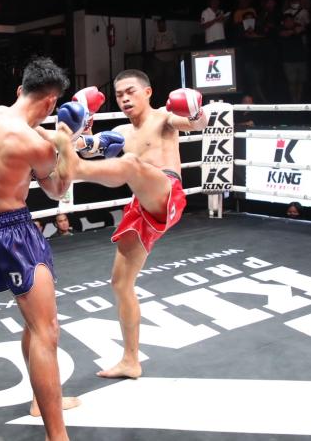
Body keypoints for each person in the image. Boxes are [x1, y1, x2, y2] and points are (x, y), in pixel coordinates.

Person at [70, 70, 208, 379]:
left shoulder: (164, 118)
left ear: (147, 92)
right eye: (119, 94)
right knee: (120, 284)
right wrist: (83, 124)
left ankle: (71, 173)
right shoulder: (121, 131)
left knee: (131, 163)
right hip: (140, 205)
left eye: (130, 91)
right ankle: (130, 361)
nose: (124, 98)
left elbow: (198, 124)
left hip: (167, 193)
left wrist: (196, 111)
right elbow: (84, 146)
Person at [0, 57, 80, 440]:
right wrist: (67, 144)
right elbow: (58, 190)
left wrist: (55, 139)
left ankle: (40, 400)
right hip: (16, 232)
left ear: (21, 89)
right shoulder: (34, 143)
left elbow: (23, 135)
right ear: (51, 102)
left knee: (34, 324)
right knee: (47, 331)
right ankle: (57, 436)